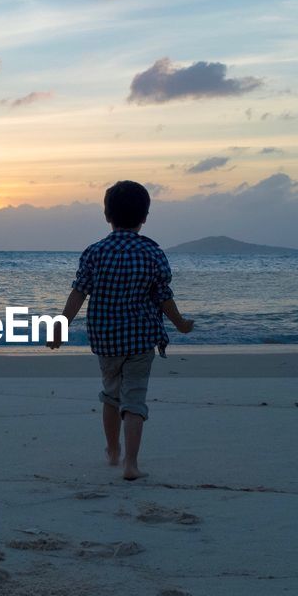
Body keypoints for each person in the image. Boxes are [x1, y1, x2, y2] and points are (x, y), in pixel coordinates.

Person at [47, 180, 194, 480]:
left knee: (111, 395)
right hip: (141, 338)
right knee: (135, 399)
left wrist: (60, 326)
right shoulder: (152, 253)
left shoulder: (95, 252)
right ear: (145, 217)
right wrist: (179, 323)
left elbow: (79, 292)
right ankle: (131, 463)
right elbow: (163, 296)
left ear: (106, 215)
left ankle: (112, 450)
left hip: (106, 339)